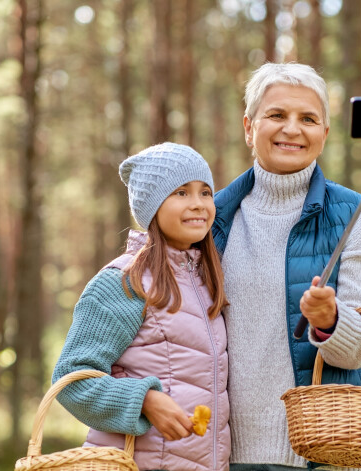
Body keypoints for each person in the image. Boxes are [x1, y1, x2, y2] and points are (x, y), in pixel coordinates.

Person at [212, 63, 361, 470]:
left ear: (324, 135)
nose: (292, 129)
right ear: (249, 126)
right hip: (218, 455)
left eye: (308, 119)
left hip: (321, 453)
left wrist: (331, 320)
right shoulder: (211, 218)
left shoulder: (356, 217)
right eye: (277, 115)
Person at [52, 142, 231, 471]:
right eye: (181, 193)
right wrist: (145, 400)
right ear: (152, 206)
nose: (198, 204)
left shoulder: (207, 281)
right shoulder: (124, 282)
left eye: (205, 192)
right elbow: (71, 380)